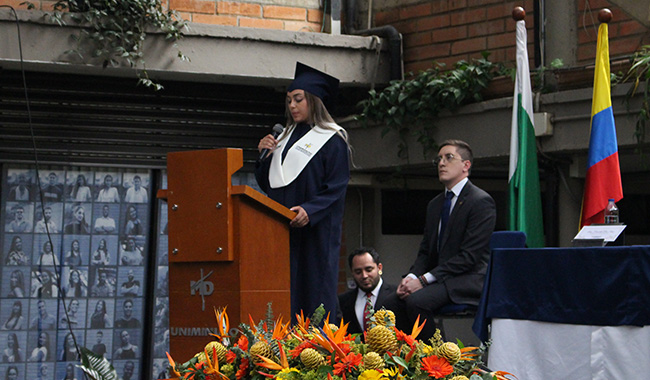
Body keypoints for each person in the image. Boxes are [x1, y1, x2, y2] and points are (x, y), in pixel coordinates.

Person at [255, 62, 350, 318]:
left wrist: (310, 210)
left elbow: (336, 188)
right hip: (281, 228)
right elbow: (271, 183)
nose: (292, 106)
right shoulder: (282, 137)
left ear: (314, 101)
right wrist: (263, 157)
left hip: (313, 232)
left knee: (312, 292)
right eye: (289, 101)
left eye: (298, 99)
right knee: (282, 293)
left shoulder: (332, 140)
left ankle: (315, 352)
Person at [382, 140, 497, 340]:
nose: (441, 163)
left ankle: (437, 361)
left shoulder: (480, 202)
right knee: (391, 302)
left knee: (417, 301)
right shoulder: (435, 205)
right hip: (442, 278)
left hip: (468, 280)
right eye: (439, 159)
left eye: (448, 157)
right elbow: (426, 251)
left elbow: (469, 257)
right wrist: (411, 277)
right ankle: (408, 358)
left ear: (466, 165)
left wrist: (424, 280)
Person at [338, 247, 396, 334]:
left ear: (379, 268)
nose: (364, 275)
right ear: (352, 273)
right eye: (358, 272)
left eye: (369, 270)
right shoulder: (343, 300)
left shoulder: (396, 295)